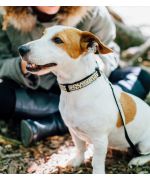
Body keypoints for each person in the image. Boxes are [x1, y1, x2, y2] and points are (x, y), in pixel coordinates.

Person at [0, 6, 149, 147]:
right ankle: (68, 116)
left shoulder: (92, 11)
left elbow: (109, 50)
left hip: (89, 89)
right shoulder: (6, 17)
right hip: (39, 88)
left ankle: (51, 124)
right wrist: (21, 66)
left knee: (142, 77)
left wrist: (96, 68)